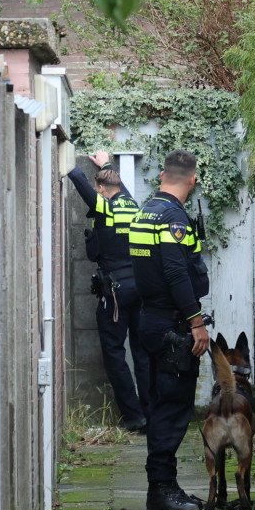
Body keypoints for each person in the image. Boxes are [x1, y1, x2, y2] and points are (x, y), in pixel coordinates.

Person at [128, 149, 209, 510]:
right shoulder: (173, 218)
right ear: (192, 180)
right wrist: (196, 321)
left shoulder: (146, 211)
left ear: (162, 175)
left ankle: (166, 486)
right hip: (171, 326)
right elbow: (176, 272)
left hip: (149, 319)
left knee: (160, 403)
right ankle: (160, 491)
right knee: (172, 408)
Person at [66, 150, 148, 433]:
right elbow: (119, 188)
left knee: (114, 352)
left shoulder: (105, 207)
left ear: (101, 189)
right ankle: (150, 414)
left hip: (114, 292)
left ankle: (134, 417)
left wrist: (67, 159)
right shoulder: (133, 205)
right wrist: (106, 165)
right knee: (142, 353)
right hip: (140, 288)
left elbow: (80, 182)